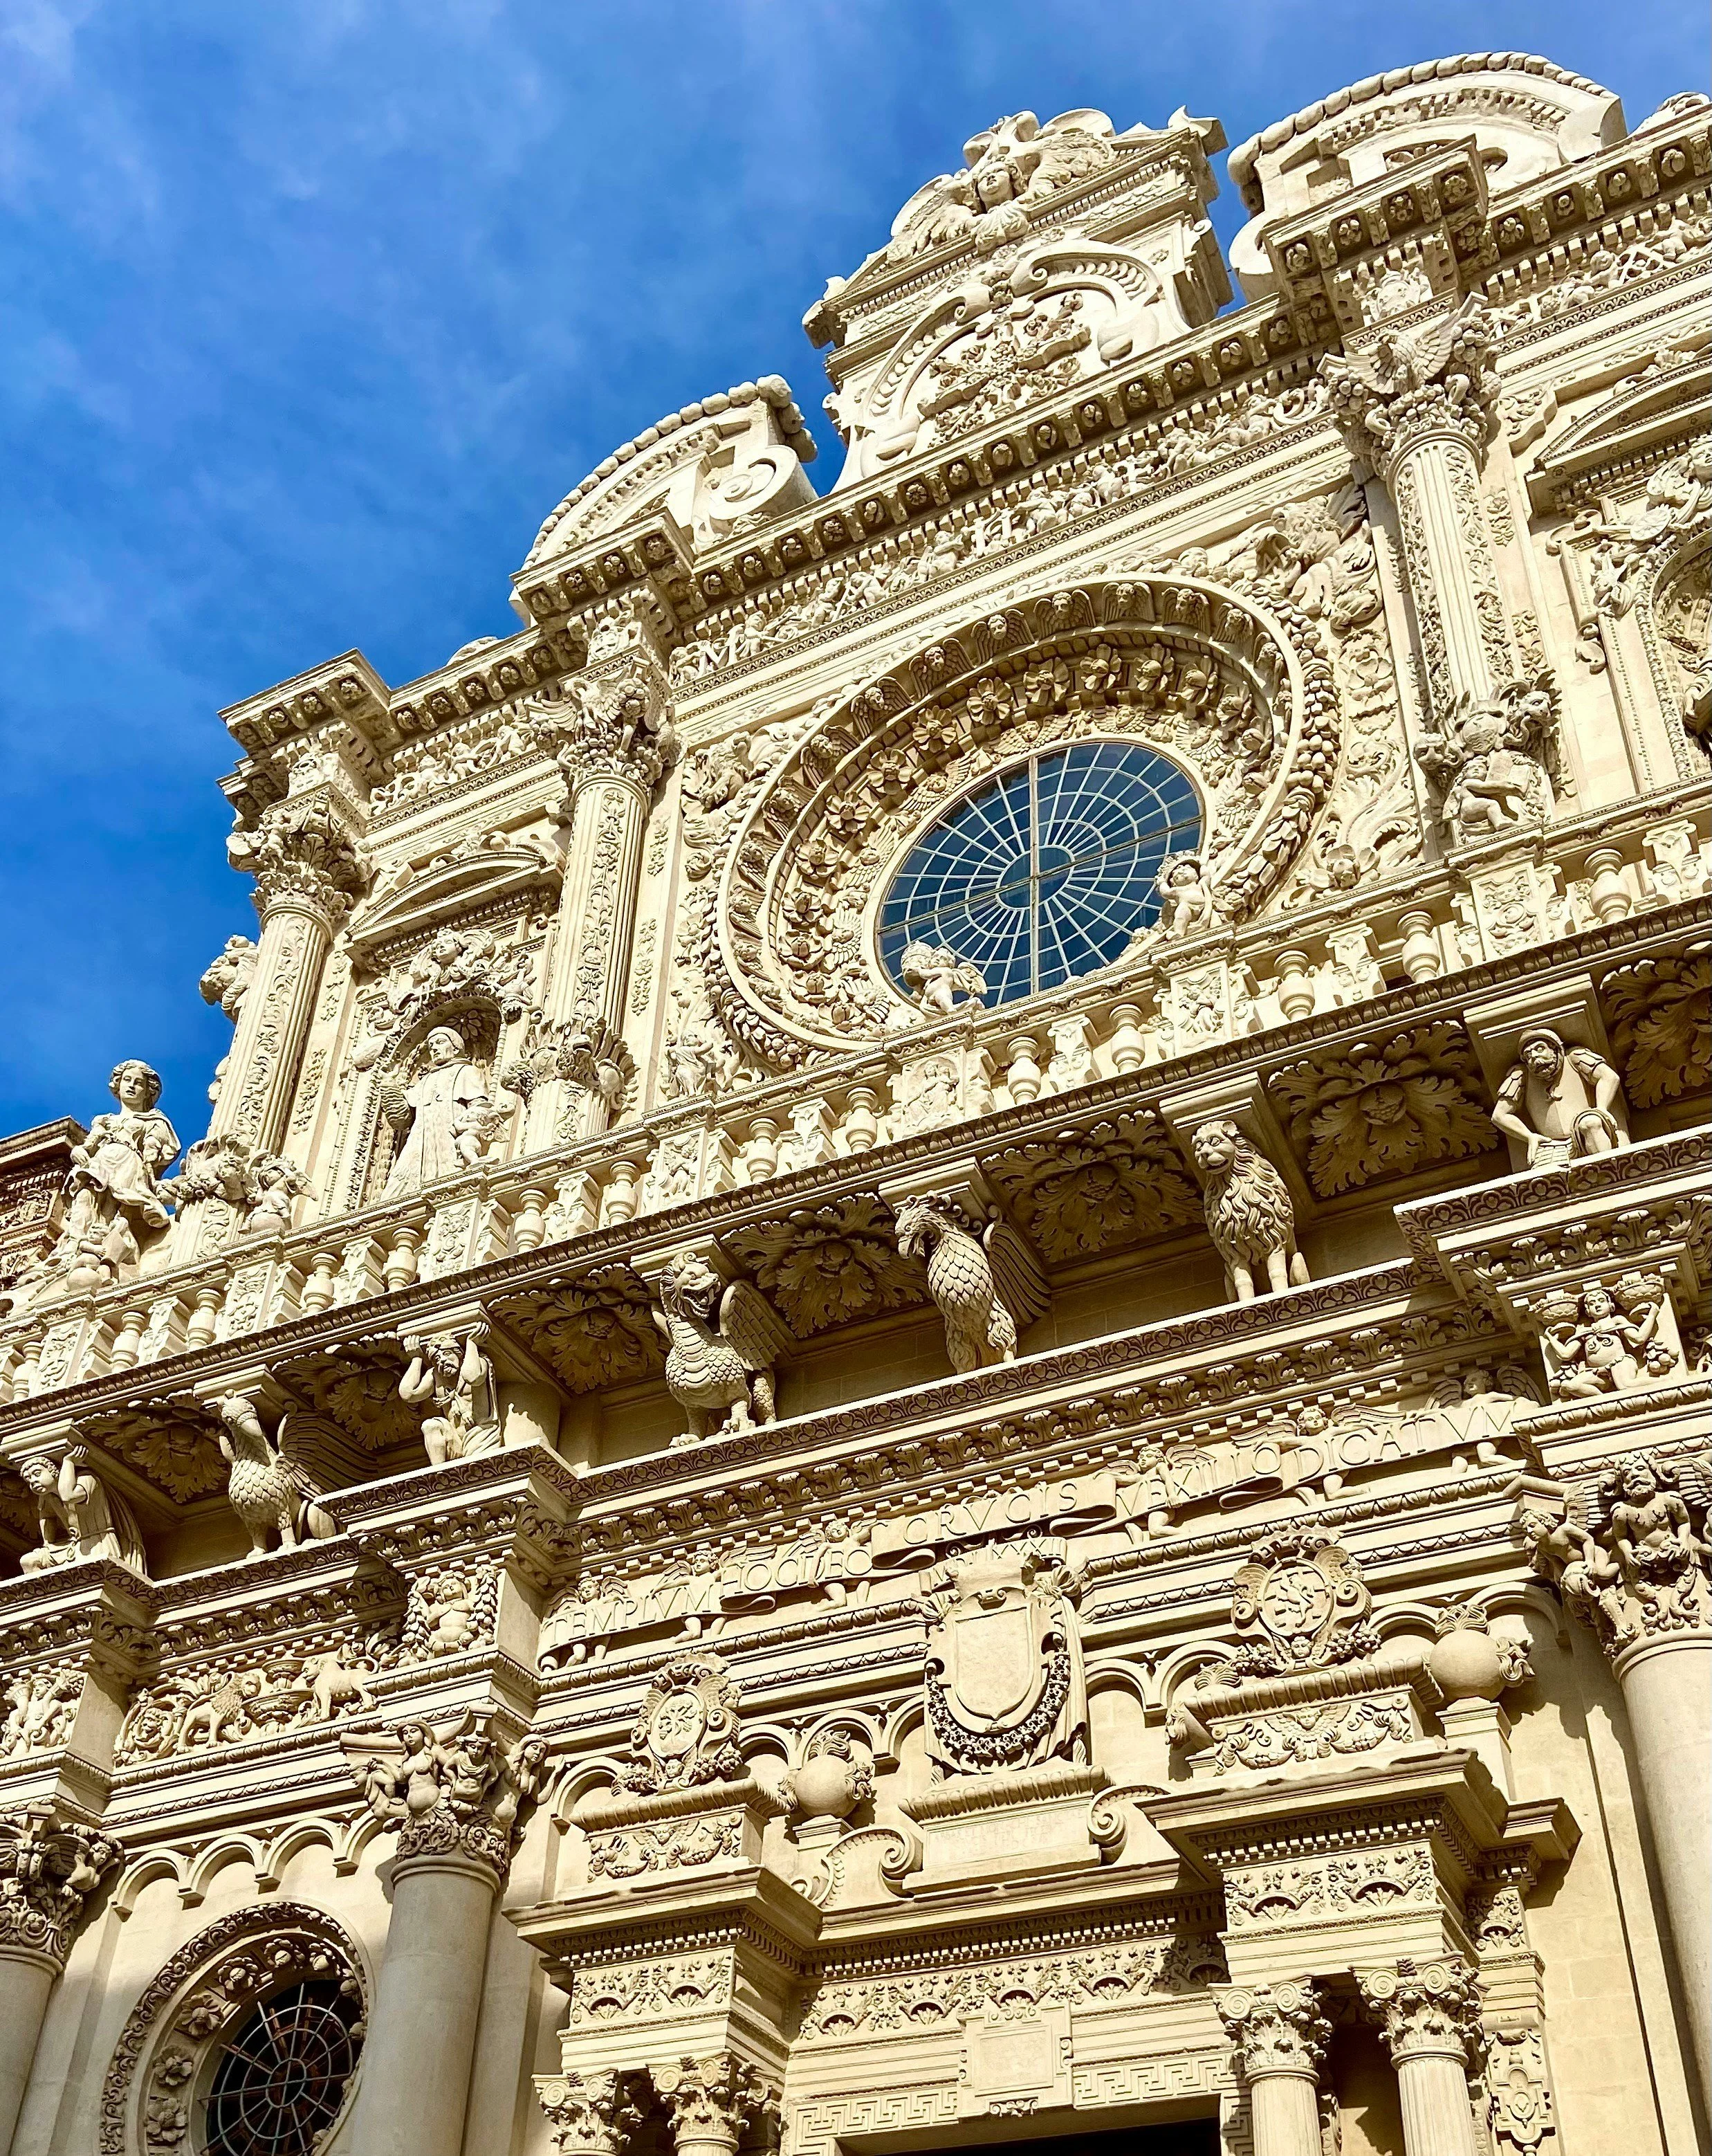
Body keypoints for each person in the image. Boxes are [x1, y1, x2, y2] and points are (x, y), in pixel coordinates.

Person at [382, 1027, 493, 1196]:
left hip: (449, 1138)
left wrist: (468, 1132)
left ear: (456, 1048)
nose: (434, 1048)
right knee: (396, 1192)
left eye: (440, 1042)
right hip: (419, 1142)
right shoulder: (425, 1081)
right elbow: (403, 1119)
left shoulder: (467, 1072)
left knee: (452, 1183)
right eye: (431, 1045)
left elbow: (479, 1107)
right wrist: (390, 1087)